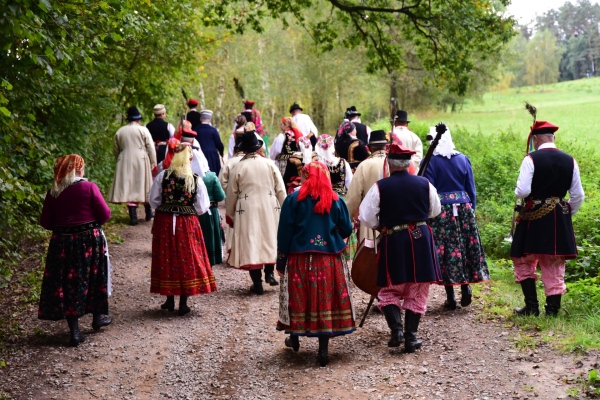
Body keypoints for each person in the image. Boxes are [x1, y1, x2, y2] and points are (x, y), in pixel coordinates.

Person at [359, 144, 442, 353]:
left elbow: (366, 217)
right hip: (420, 238)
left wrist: (381, 225)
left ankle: (396, 331)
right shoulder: (425, 184)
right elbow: (435, 210)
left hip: (394, 238)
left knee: (389, 287)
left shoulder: (380, 187)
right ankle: (411, 338)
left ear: (389, 164)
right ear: (409, 163)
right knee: (418, 287)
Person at [276, 161, 355, 367]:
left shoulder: (293, 199)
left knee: (299, 296)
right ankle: (323, 350)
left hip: (300, 258)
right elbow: (347, 229)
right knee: (325, 298)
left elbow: (285, 232)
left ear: (305, 177)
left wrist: (281, 260)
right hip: (329, 259)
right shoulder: (336, 199)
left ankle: (294, 337)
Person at [510, 120, 584, 317]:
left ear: (535, 139)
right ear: (553, 138)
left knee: (523, 258)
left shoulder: (531, 159)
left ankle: (531, 308)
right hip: (559, 215)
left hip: (533, 214)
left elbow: (522, 191)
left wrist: (519, 192)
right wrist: (566, 213)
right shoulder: (570, 160)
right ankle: (552, 311)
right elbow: (578, 195)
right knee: (554, 261)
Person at [39, 154, 113, 346]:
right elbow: (105, 214)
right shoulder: (89, 187)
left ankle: (75, 331)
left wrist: (65, 225)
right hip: (89, 240)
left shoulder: (54, 192)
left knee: (68, 282)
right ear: (79, 170)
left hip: (62, 242)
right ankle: (98, 317)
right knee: (94, 276)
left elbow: (45, 222)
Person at [421, 125, 490, 310]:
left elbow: (428, 190)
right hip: (464, 209)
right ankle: (465, 287)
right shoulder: (463, 159)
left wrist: (426, 213)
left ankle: (450, 297)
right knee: (464, 246)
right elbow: (471, 189)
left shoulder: (429, 162)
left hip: (440, 211)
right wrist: (471, 209)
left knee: (445, 251)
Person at [148, 143, 217, 315]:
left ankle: (169, 299)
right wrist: (187, 209)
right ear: (190, 159)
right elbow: (202, 206)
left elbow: (153, 200)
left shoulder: (163, 176)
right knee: (186, 257)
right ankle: (183, 303)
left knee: (166, 256)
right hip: (187, 222)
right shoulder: (195, 179)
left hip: (164, 221)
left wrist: (167, 206)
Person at [225, 129, 287, 294]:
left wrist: (230, 214)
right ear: (258, 147)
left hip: (247, 208)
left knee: (251, 241)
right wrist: (285, 209)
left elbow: (231, 194)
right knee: (269, 237)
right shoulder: (269, 164)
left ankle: (257, 283)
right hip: (269, 205)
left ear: (244, 149)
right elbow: (280, 190)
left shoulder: (239, 166)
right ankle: (269, 273)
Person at [108, 106, 157, 225]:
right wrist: (153, 162)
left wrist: (119, 159)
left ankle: (133, 217)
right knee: (144, 185)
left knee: (129, 186)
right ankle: (148, 213)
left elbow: (115, 149)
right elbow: (150, 147)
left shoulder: (120, 131)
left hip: (124, 159)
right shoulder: (143, 130)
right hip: (141, 159)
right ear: (138, 119)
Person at [315, 134, 356, 260]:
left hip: (322, 199)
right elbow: (350, 184)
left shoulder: (317, 164)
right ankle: (343, 252)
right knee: (342, 225)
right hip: (341, 200)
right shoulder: (343, 163)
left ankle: (325, 250)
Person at [346, 129, 389, 243]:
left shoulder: (364, 165)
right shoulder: (394, 163)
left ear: (369, 148)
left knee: (370, 251)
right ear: (386, 147)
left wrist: (347, 219)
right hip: (392, 218)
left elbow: (354, 197)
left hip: (369, 218)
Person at [199, 169, 226, 266]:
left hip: (194, 212)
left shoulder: (188, 175)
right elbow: (220, 196)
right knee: (211, 235)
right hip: (210, 211)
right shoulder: (211, 176)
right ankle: (212, 259)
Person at [193, 110, 225, 176]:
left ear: (200, 119)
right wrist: (221, 153)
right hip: (212, 156)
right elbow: (219, 144)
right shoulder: (213, 130)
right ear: (209, 119)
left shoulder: (195, 130)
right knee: (214, 174)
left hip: (199, 154)